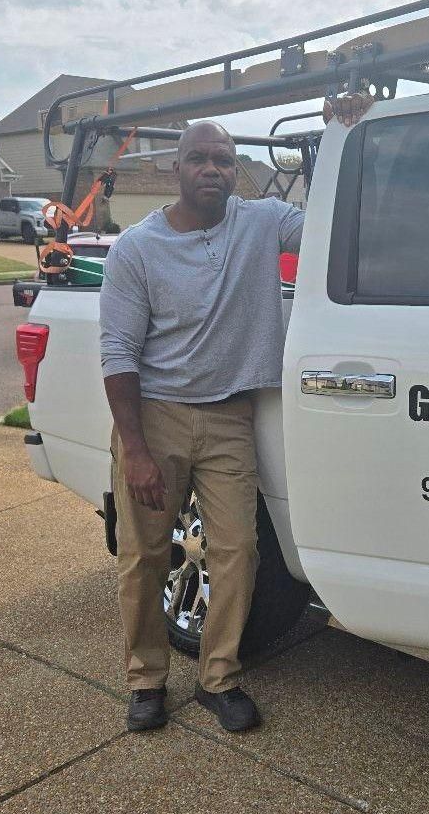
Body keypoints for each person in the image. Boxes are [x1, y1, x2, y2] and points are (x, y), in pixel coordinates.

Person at [100, 91, 373, 734]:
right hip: (157, 416)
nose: (213, 170)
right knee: (144, 556)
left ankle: (218, 676)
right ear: (178, 169)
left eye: (223, 159)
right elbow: (117, 352)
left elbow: (332, 225)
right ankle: (146, 681)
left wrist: (345, 135)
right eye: (200, 158)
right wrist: (135, 449)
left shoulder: (261, 220)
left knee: (238, 551)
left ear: (234, 168)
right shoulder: (137, 250)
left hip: (228, 419)